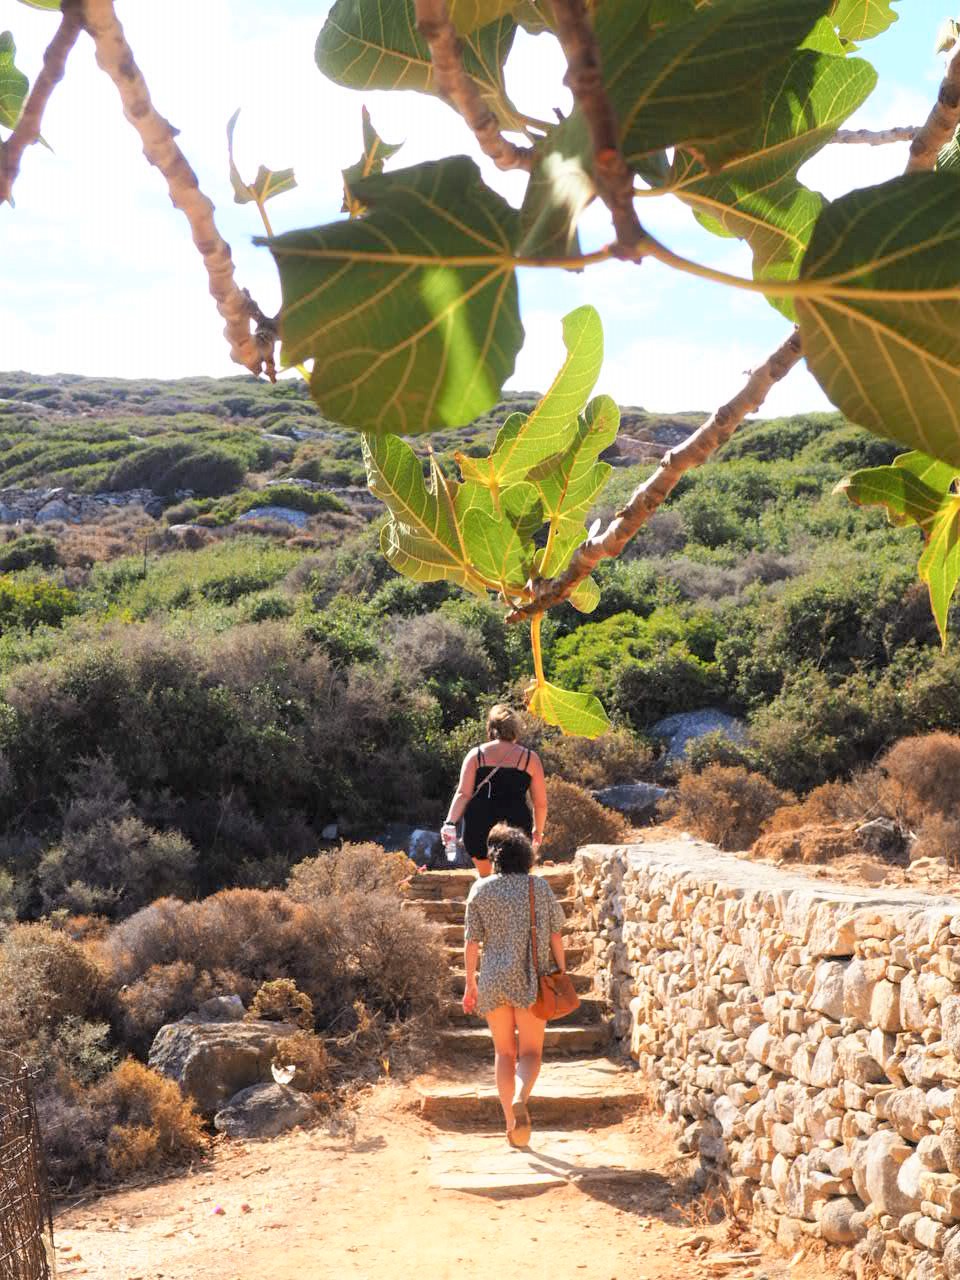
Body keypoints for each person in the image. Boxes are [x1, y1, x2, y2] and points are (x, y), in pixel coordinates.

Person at [462, 823, 567, 1147]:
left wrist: (470, 983)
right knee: (532, 1052)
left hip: (493, 979)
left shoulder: (480, 889)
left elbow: (471, 943)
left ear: (494, 857)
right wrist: (560, 971)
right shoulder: (539, 887)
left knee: (504, 1053)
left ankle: (511, 1123)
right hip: (532, 979)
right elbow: (555, 934)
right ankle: (521, 1097)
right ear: (526, 855)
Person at [442, 704, 547, 877]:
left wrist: (449, 823)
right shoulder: (530, 759)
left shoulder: (476, 755)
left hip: (479, 827)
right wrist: (538, 831)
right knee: (515, 881)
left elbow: (463, 794)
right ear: (515, 730)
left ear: (490, 729)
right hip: (517, 828)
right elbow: (540, 804)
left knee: (486, 880)